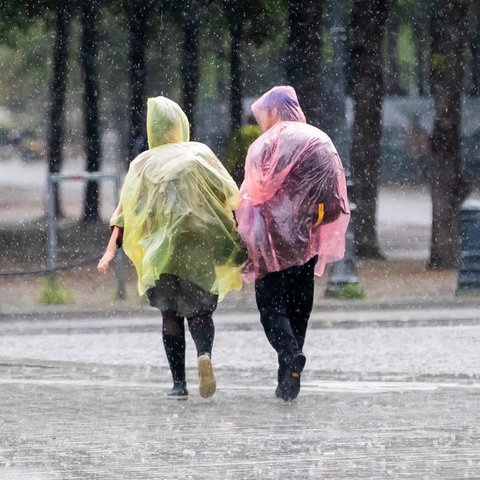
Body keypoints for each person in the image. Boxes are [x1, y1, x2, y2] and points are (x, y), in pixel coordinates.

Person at [98, 96, 246, 399]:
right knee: (200, 311)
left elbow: (126, 212)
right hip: (197, 247)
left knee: (169, 315)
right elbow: (229, 194)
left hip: (160, 250)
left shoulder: (142, 164)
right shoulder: (199, 155)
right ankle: (203, 354)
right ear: (180, 125)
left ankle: (179, 384)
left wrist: (110, 250)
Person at [235, 86, 350, 401]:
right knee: (299, 308)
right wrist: (314, 224)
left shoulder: (265, 145)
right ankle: (288, 376)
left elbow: (252, 194)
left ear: (273, 112)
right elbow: (335, 195)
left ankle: (289, 357)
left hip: (271, 243)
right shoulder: (320, 140)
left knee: (272, 307)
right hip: (308, 240)